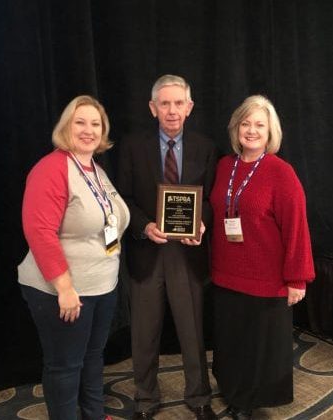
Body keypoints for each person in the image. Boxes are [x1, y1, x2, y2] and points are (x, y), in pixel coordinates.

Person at [17, 95, 130, 420]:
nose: (88, 130)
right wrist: (65, 288)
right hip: (62, 291)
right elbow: (39, 232)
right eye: (80, 122)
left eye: (95, 124)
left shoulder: (93, 168)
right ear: (66, 126)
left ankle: (94, 415)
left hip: (101, 286)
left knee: (93, 357)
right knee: (65, 366)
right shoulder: (51, 168)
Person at [116, 75, 218, 420]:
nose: (171, 110)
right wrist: (144, 225)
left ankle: (200, 397)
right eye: (164, 103)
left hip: (187, 254)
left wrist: (201, 222)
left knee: (192, 331)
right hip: (147, 250)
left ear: (189, 108)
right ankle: (145, 399)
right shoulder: (132, 146)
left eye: (178, 103)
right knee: (144, 333)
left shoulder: (206, 146)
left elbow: (211, 198)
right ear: (152, 108)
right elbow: (123, 198)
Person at [209, 95, 315, 419]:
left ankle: (249, 404)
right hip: (225, 275)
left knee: (258, 350)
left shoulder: (281, 172)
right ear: (236, 127)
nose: (251, 131)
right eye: (246, 123)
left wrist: (297, 278)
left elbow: (296, 228)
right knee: (231, 343)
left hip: (265, 280)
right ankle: (233, 393)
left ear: (271, 132)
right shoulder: (225, 165)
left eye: (259, 125)